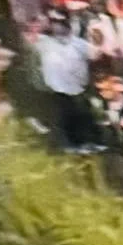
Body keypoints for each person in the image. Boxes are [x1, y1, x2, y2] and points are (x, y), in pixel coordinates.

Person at [29, 19, 99, 153]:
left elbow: (94, 54)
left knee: (82, 115)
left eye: (62, 30)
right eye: (56, 31)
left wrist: (96, 39)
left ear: (69, 30)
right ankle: (70, 145)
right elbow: (33, 40)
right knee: (65, 117)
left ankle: (89, 141)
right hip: (57, 90)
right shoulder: (45, 43)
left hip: (77, 89)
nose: (59, 34)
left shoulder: (79, 44)